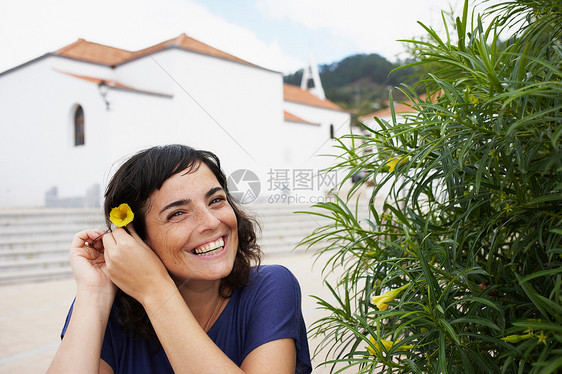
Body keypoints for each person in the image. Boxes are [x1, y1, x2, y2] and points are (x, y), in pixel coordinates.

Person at [47, 144, 312, 374]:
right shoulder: (109, 309)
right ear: (136, 238)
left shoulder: (270, 288)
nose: (211, 222)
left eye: (217, 200)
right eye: (177, 214)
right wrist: (94, 293)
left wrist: (155, 290)